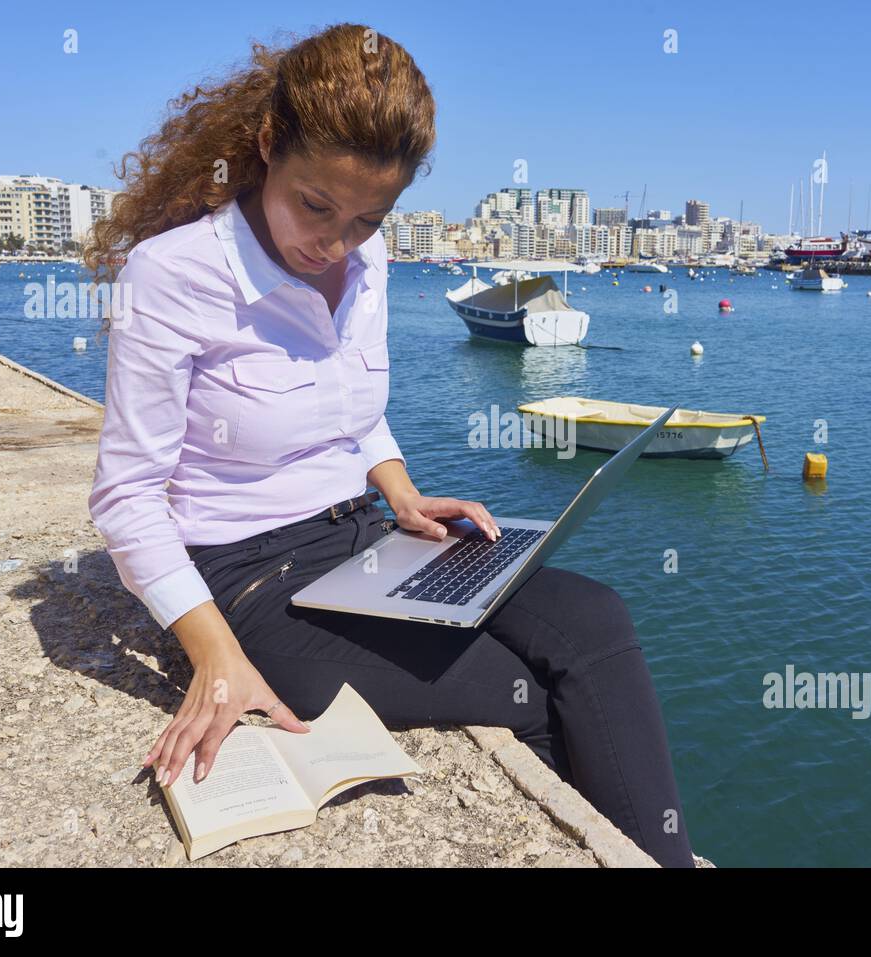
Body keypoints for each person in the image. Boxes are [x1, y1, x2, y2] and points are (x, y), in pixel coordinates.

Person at [85, 22, 695, 867]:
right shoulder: (172, 276)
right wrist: (215, 654)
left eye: (368, 218)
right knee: (526, 696)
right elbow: (125, 498)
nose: (333, 245)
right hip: (251, 583)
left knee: (594, 619)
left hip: (366, 535)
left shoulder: (365, 270)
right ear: (267, 146)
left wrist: (400, 491)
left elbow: (354, 410)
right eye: (315, 206)